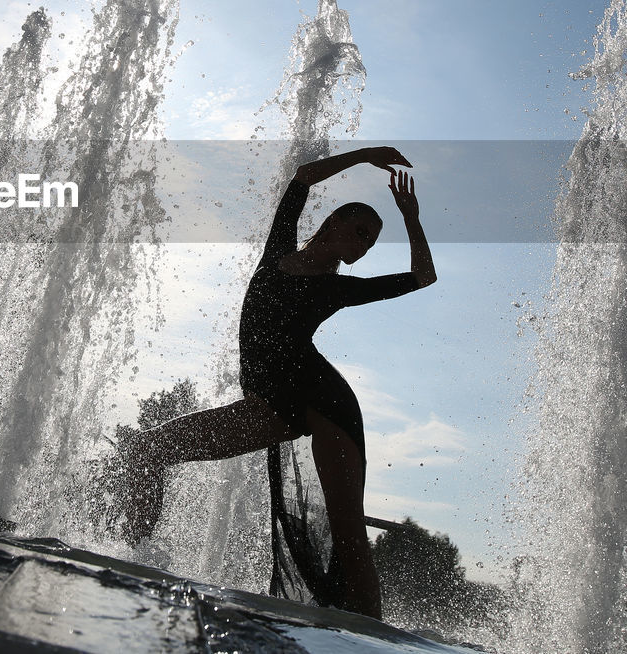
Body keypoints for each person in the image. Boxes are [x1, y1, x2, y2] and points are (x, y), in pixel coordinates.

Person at [117, 146, 436, 619]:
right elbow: (303, 178)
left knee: (347, 532)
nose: (365, 244)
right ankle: (130, 561)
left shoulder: (339, 288)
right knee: (148, 450)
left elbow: (422, 276)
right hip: (271, 403)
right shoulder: (280, 250)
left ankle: (373, 637)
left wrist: (410, 217)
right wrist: (367, 155)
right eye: (361, 231)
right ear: (331, 225)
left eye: (370, 242)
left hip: (328, 406)